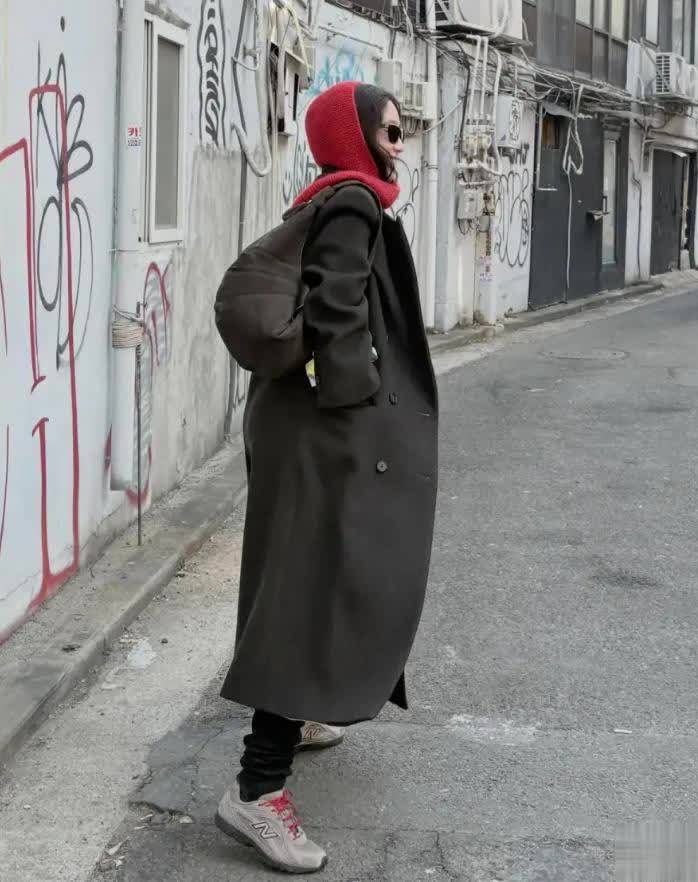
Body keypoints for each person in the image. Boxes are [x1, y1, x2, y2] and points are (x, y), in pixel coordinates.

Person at [214, 81, 439, 874]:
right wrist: (362, 414)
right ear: (354, 135)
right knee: (310, 592)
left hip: (298, 423)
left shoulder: (333, 197)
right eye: (390, 131)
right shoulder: (353, 203)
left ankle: (304, 711)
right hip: (324, 432)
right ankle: (256, 790)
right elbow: (338, 311)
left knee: (309, 580)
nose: (400, 143)